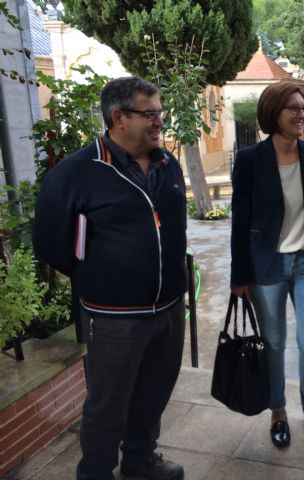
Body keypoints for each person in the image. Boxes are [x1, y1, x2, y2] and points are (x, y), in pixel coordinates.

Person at [33, 77, 187, 480]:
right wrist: (103, 279)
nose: (159, 122)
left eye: (159, 112)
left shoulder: (167, 165)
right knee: (107, 406)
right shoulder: (76, 174)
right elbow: (51, 244)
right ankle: (96, 472)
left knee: (152, 395)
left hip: (169, 309)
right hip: (115, 316)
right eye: (149, 114)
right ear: (119, 117)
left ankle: (139, 460)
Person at [230, 82, 304, 448]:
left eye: (302, 107)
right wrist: (239, 277)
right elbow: (239, 220)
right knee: (273, 343)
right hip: (266, 266)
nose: (301, 114)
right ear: (272, 114)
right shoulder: (249, 160)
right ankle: (278, 411)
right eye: (292, 108)